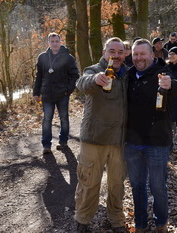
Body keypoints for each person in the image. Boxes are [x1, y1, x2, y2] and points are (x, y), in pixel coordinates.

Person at [125, 39, 177, 233]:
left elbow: (176, 86)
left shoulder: (162, 72)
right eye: (135, 54)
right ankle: (140, 224)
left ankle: (161, 224)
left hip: (157, 142)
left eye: (142, 54)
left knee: (158, 187)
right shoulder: (128, 75)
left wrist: (169, 85)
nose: (139, 57)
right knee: (137, 186)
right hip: (132, 143)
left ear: (151, 55)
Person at [74, 37, 128, 233]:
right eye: (112, 51)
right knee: (89, 183)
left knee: (116, 185)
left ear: (125, 54)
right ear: (105, 53)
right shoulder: (94, 70)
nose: (116, 55)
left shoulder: (127, 74)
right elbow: (81, 83)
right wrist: (95, 79)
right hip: (94, 138)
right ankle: (82, 220)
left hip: (119, 141)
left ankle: (115, 220)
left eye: (120, 52)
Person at [33, 32, 79, 154]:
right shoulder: (42, 57)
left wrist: (68, 90)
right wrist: (36, 92)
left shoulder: (68, 57)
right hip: (47, 94)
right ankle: (46, 145)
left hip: (62, 94)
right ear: (48, 43)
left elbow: (75, 75)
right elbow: (39, 76)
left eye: (56, 41)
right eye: (52, 41)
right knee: (47, 119)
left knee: (64, 118)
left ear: (60, 42)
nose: (54, 43)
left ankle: (63, 141)